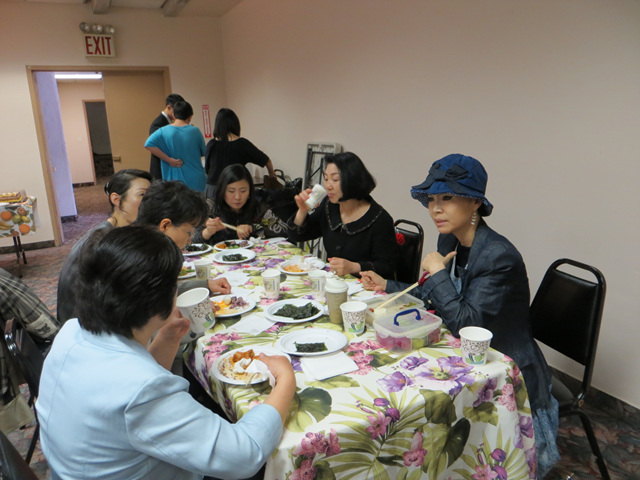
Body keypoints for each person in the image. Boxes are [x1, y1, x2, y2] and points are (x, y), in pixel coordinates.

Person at [37, 225, 296, 479]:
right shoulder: (142, 390)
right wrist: (285, 379)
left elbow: (130, 393)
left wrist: (167, 339)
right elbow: (244, 455)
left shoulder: (70, 332)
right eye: (175, 283)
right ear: (156, 300)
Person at [361, 153, 560, 477]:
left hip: (506, 371)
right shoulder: (449, 238)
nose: (435, 209)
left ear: (476, 202)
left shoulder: (498, 256)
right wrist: (388, 284)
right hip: (466, 360)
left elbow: (467, 324)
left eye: (447, 198)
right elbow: (434, 297)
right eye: (431, 199)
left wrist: (438, 272)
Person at [56, 169, 152, 323]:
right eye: (142, 195)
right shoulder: (104, 241)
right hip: (86, 324)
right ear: (116, 199)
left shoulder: (117, 231)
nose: (149, 201)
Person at [287, 152, 398, 278]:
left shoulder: (379, 219)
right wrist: (302, 211)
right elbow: (296, 236)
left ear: (353, 180)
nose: (328, 186)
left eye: (335, 179)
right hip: (334, 281)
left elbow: (387, 266)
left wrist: (355, 267)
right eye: (326, 179)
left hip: (366, 285)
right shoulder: (329, 206)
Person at [192, 164, 289, 245]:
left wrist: (252, 228)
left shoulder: (258, 206)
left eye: (243, 191)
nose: (237, 197)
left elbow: (284, 229)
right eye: (231, 191)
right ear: (222, 190)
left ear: (250, 190)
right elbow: (191, 240)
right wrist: (207, 232)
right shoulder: (211, 207)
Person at [204, 108, 276, 199]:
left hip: (212, 190)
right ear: (235, 124)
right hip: (234, 190)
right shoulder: (242, 144)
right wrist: (271, 173)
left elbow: (207, 170)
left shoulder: (211, 144)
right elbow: (266, 160)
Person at [145, 101, 207, 192]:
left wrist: (168, 159)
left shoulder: (163, 131)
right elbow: (204, 152)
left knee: (175, 200)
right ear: (190, 117)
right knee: (196, 200)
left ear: (173, 115)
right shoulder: (195, 131)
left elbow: (148, 144)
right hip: (195, 178)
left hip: (173, 179)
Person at [148, 93, 185, 181]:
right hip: (160, 170)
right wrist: (169, 160)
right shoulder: (158, 123)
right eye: (176, 111)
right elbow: (152, 146)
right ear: (169, 107)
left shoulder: (169, 122)